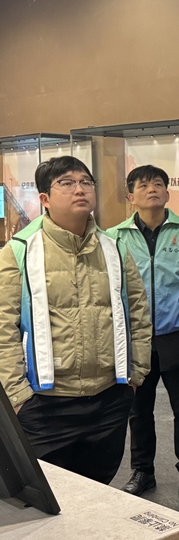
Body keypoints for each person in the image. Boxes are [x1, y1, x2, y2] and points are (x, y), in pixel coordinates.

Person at [0, 156, 151, 484]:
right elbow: (3, 328)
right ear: (44, 198)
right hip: (45, 404)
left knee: (97, 488)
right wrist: (17, 395)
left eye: (86, 182)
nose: (79, 189)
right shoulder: (19, 251)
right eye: (67, 183)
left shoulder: (114, 248)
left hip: (109, 398)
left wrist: (135, 376)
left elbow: (138, 314)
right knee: (51, 495)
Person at [109, 165, 179, 498]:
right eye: (143, 185)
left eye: (158, 184)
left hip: (176, 335)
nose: (151, 188)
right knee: (138, 410)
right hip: (135, 339)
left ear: (167, 193)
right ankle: (142, 470)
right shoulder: (114, 237)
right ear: (131, 196)